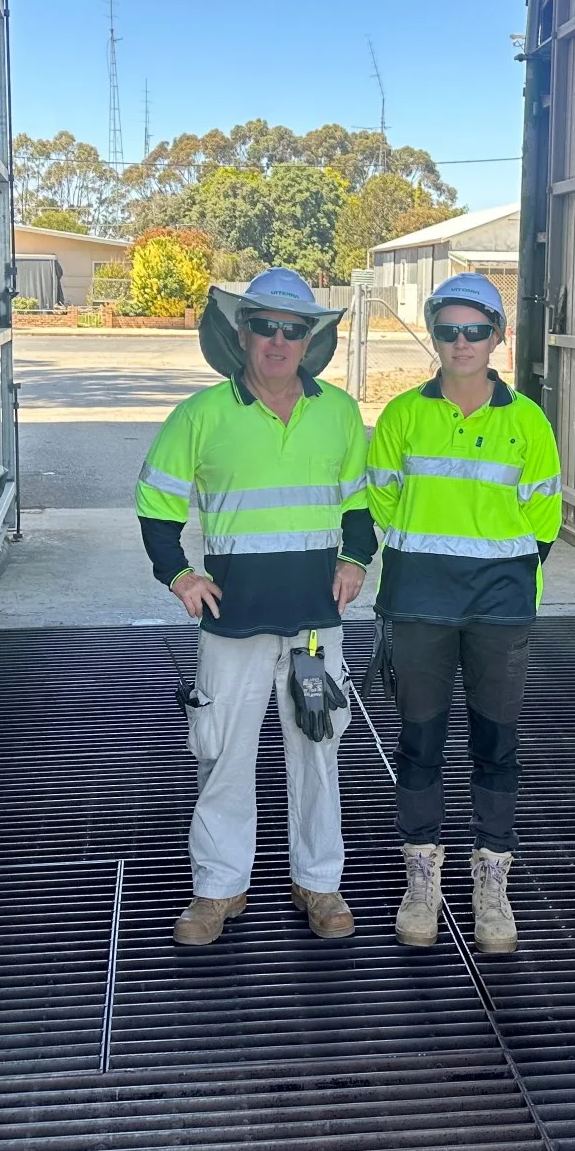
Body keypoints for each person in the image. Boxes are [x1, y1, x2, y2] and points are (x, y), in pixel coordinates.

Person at [135, 267, 376, 946]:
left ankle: (319, 884)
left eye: (291, 328)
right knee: (224, 757)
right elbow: (157, 506)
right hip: (233, 622)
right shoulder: (201, 416)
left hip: (314, 626)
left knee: (319, 753)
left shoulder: (339, 414)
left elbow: (359, 508)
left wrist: (356, 562)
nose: (276, 339)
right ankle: (217, 892)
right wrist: (180, 575)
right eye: (263, 325)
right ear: (241, 334)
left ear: (310, 338)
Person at [364, 272, 561, 955]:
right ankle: (423, 879)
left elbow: (543, 521)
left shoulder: (528, 422)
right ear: (435, 337)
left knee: (495, 747)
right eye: (448, 330)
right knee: (419, 745)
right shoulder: (402, 417)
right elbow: (379, 504)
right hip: (419, 606)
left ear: (499, 337)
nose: (462, 342)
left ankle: (491, 880)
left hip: (499, 611)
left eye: (476, 330)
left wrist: (495, 575)